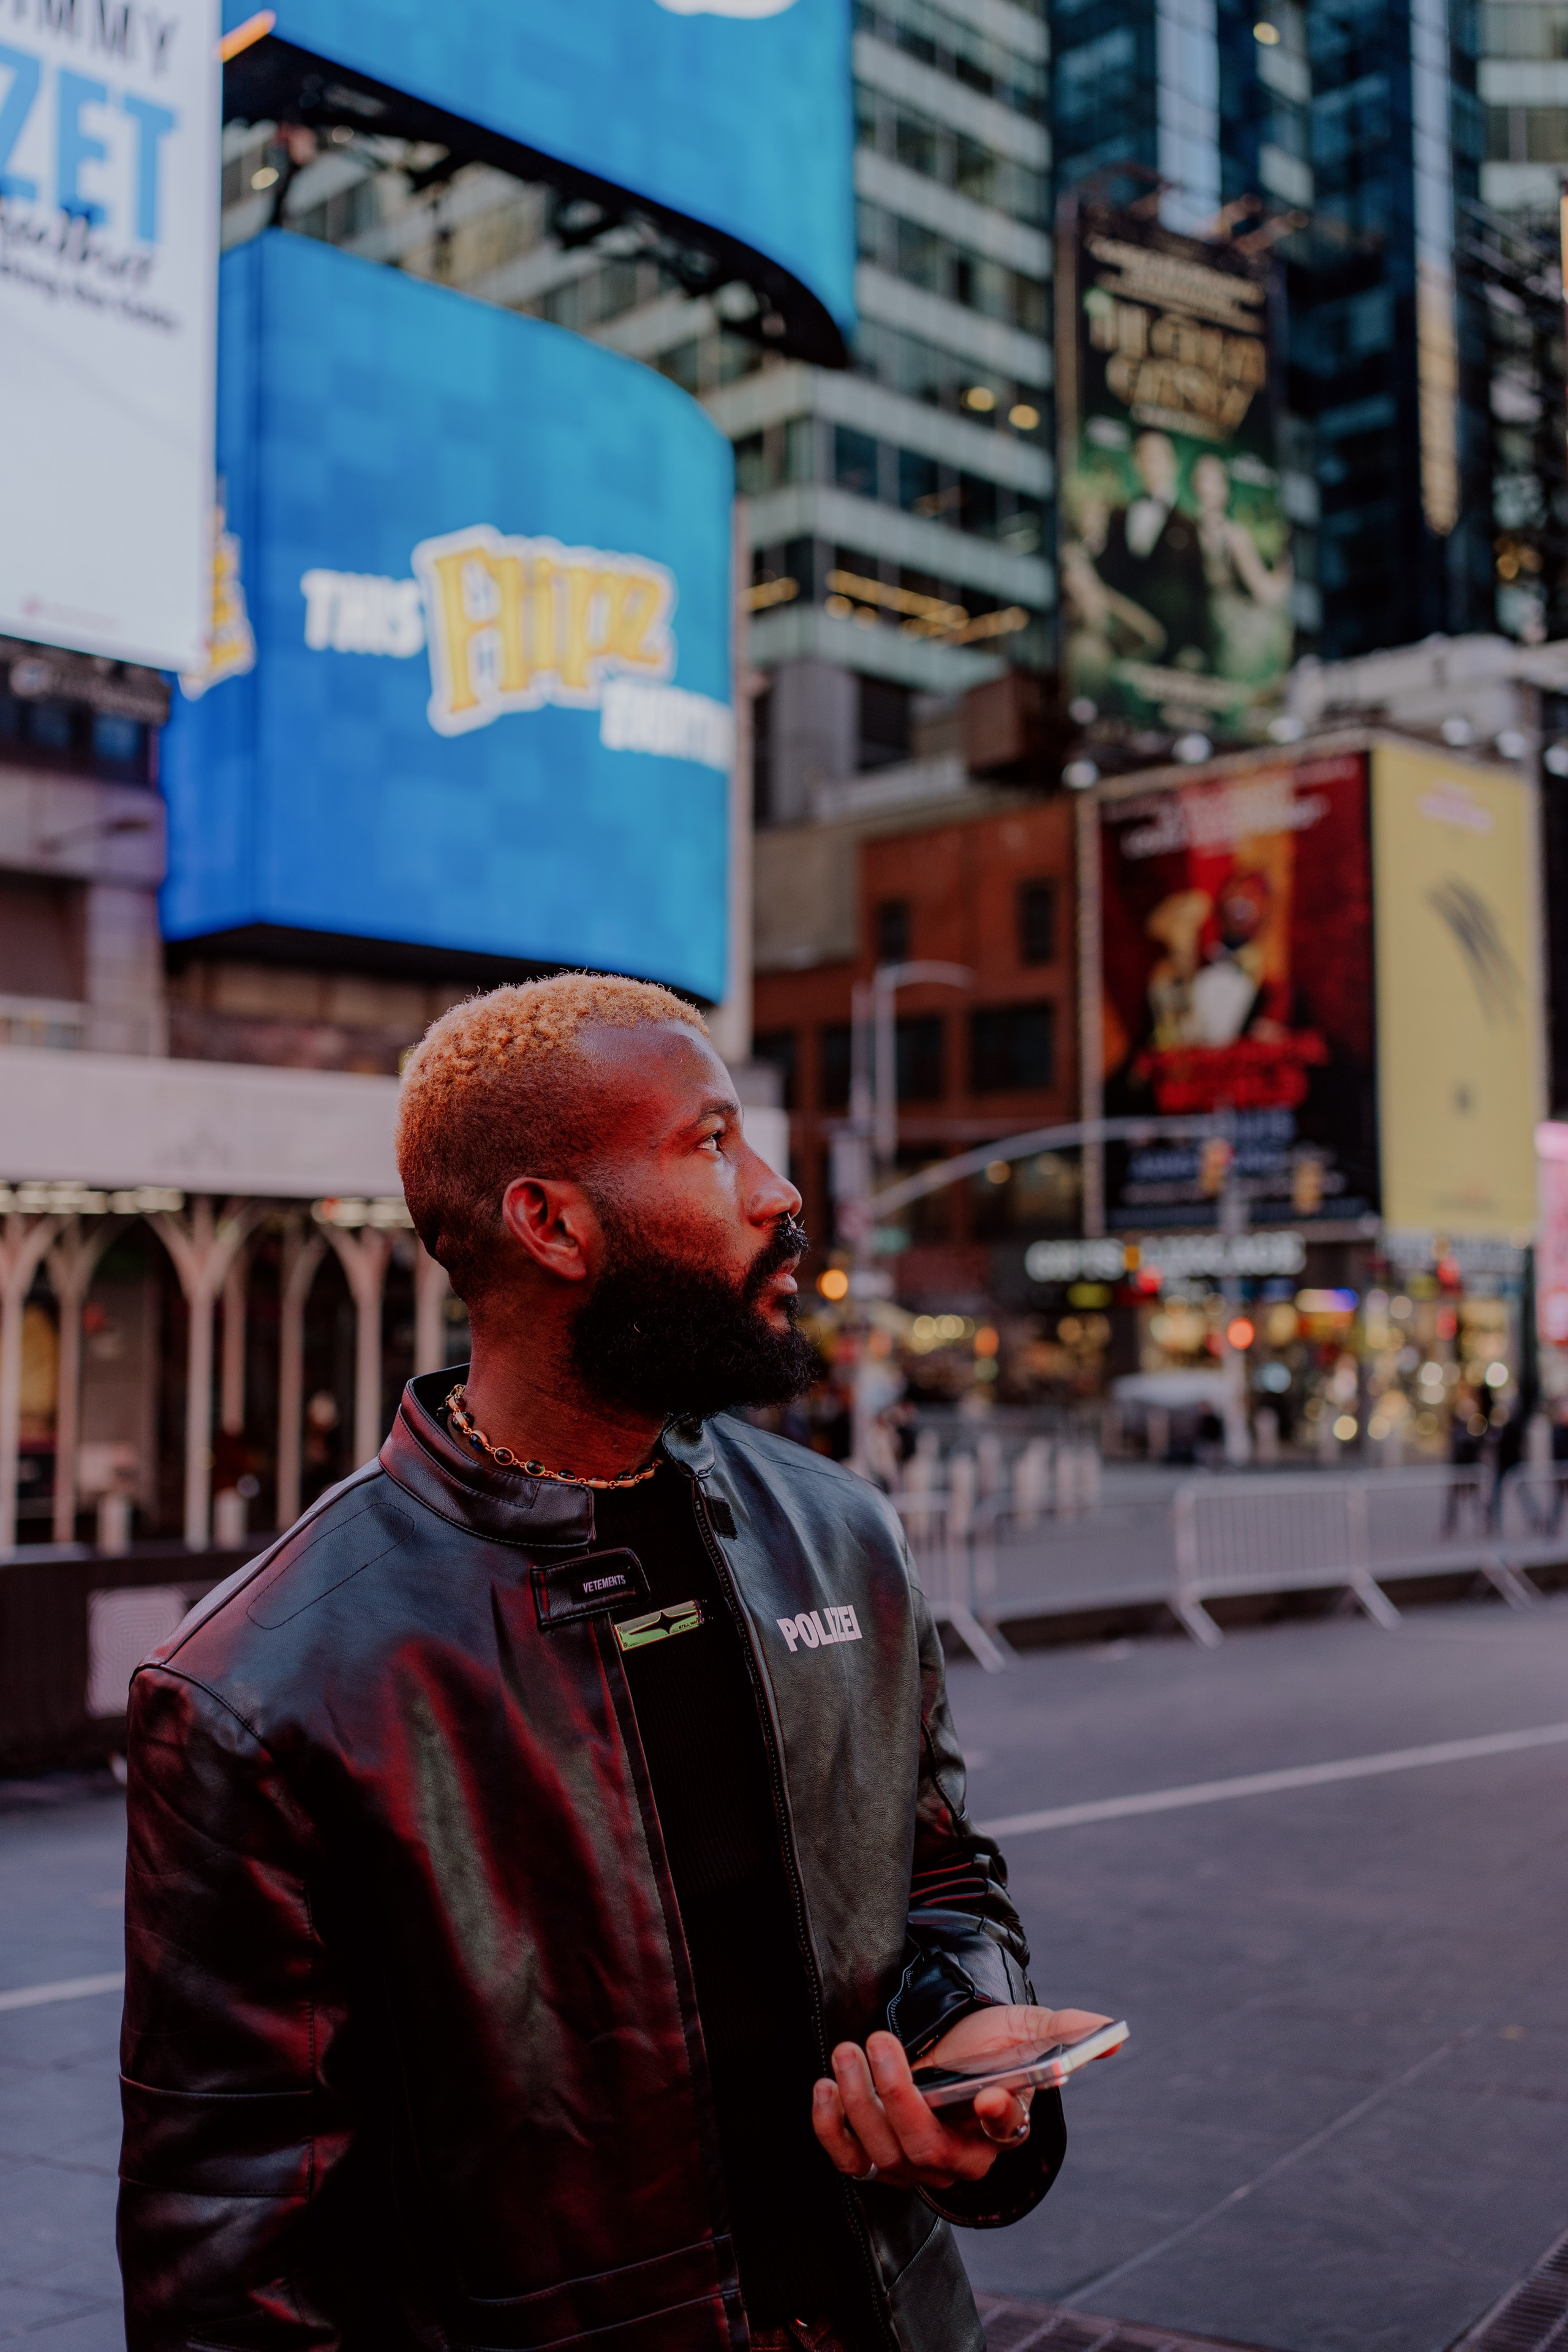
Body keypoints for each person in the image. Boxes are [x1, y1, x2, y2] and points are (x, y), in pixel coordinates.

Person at [118, 974, 1108, 2352]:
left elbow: (939, 1877)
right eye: (710, 1144)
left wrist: (968, 2060)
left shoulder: (838, 1532)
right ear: (551, 1222)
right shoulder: (258, 1685)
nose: (775, 1193)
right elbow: (233, 2244)